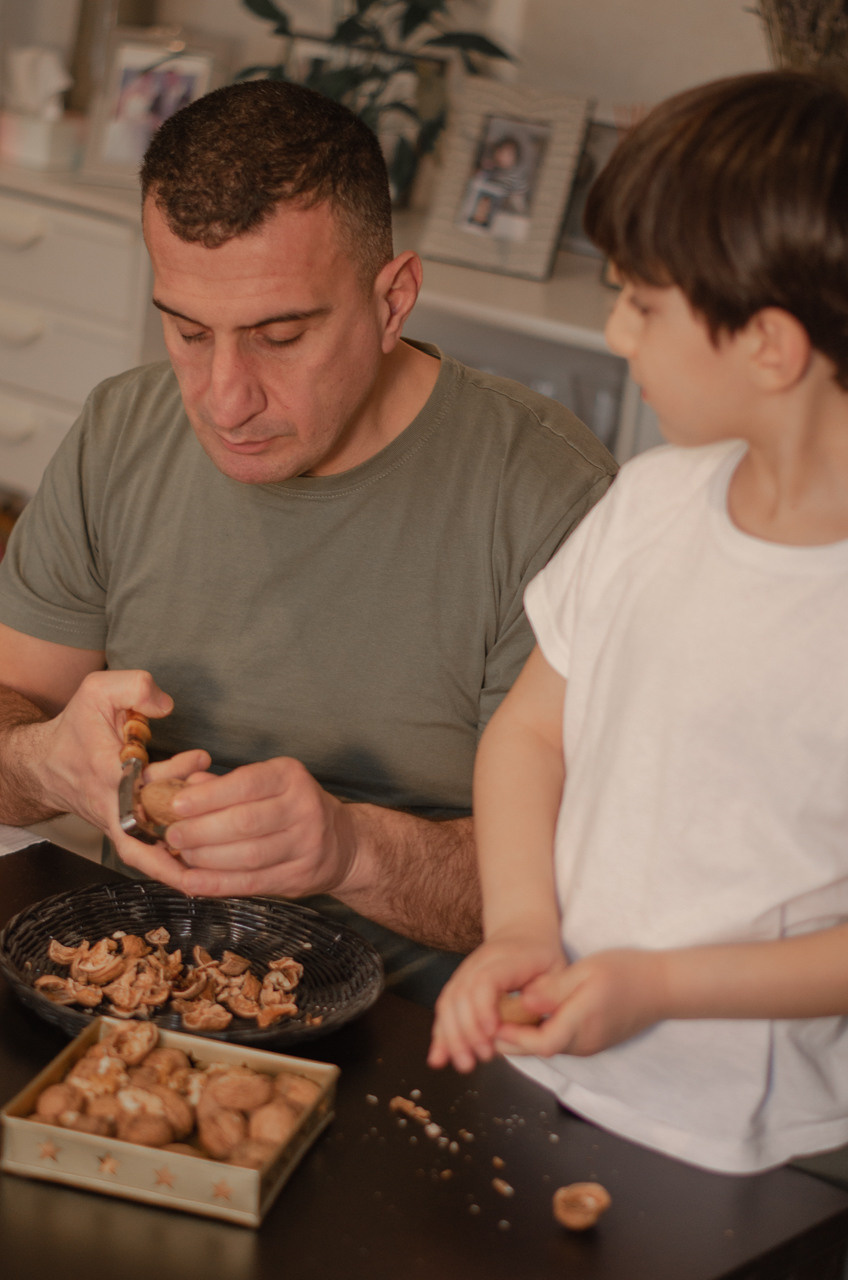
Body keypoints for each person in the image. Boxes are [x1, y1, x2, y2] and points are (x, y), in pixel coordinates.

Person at [0, 80, 615, 1004]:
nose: (224, 396)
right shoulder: (122, 430)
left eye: (280, 335)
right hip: (133, 988)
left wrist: (352, 850)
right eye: (187, 330)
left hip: (429, 1035)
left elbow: (577, 890)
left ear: (393, 299)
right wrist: (49, 760)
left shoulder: (548, 495)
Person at [428, 69, 848, 1171]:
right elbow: (527, 731)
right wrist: (519, 925)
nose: (617, 333)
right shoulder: (652, 496)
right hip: (542, 1061)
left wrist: (656, 985)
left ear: (769, 343)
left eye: (643, 303)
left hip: (752, 1146)